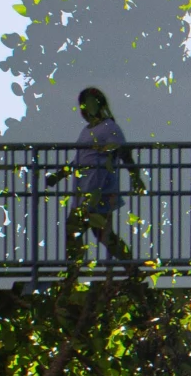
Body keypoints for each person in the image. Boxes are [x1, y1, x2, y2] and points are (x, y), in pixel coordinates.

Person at [46, 85, 144, 270]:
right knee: (103, 235)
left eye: (88, 104)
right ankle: (132, 270)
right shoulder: (87, 130)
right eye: (82, 105)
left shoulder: (109, 128)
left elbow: (124, 154)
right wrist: (59, 175)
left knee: (77, 230)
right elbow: (79, 160)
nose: (85, 109)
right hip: (83, 191)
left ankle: (73, 272)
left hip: (99, 190)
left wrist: (135, 177)